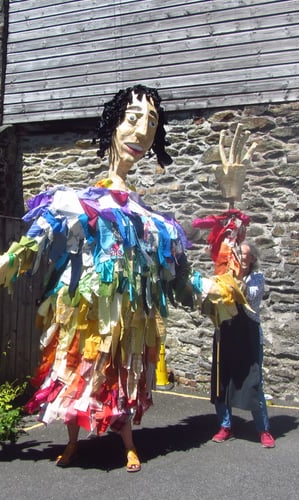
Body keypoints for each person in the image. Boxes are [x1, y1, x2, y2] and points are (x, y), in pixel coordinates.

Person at [18, 84, 188, 473]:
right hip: (84, 315)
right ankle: (73, 442)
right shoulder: (75, 203)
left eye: (152, 123)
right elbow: (19, 257)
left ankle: (129, 444)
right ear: (113, 125)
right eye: (132, 119)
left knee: (122, 379)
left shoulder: (152, 220)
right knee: (78, 372)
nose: (142, 131)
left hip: (127, 324)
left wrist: (229, 218)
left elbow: (182, 278)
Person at [209, 241, 275, 448]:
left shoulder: (257, 278)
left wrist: (232, 276)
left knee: (254, 381)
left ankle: (263, 430)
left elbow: (247, 294)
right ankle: (225, 426)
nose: (239, 256)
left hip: (248, 335)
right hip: (226, 331)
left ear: (252, 259)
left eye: (243, 254)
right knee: (222, 380)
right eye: (236, 253)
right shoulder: (223, 276)